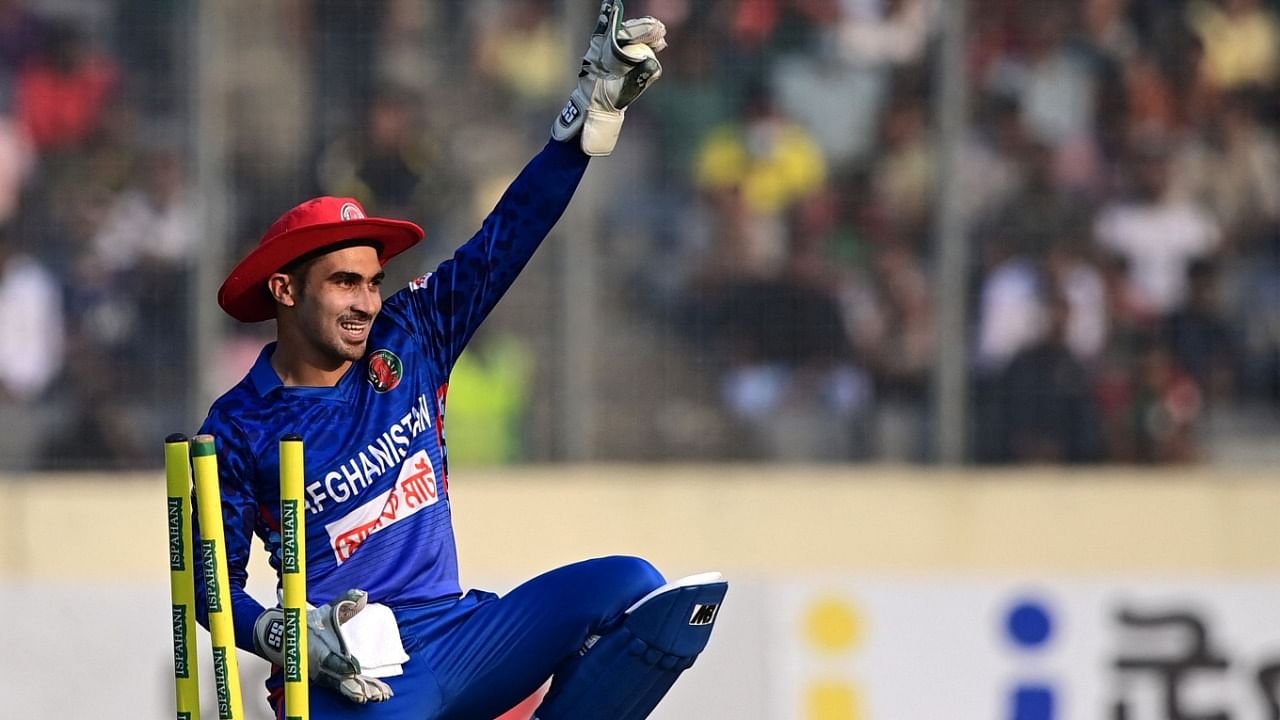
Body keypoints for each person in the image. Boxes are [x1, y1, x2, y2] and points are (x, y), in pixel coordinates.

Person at [189, 3, 728, 719]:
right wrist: (285, 635)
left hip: (463, 633)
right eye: (344, 283)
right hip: (354, 676)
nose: (365, 302)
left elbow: (506, 236)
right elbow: (207, 587)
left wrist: (583, 121)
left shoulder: (411, 336)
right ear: (285, 290)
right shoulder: (237, 423)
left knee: (636, 585)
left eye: (373, 282)